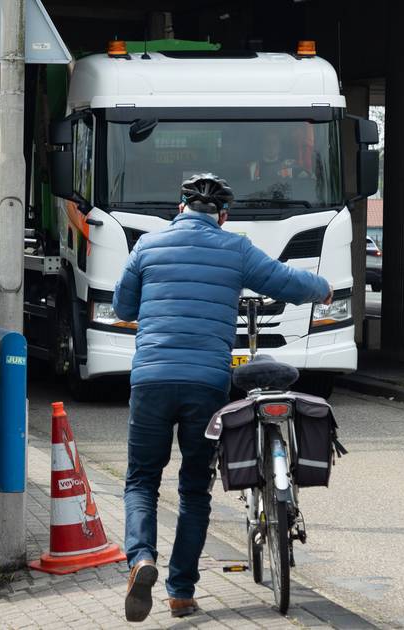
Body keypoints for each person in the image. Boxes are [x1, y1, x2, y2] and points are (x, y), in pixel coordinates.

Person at [112, 173, 332, 621]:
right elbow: (285, 281)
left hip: (151, 380)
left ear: (180, 208)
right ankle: (180, 592)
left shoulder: (148, 247)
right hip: (207, 384)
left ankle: (141, 560)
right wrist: (322, 287)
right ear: (223, 216)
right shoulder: (235, 248)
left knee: (141, 481)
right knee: (194, 488)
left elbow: (123, 307)